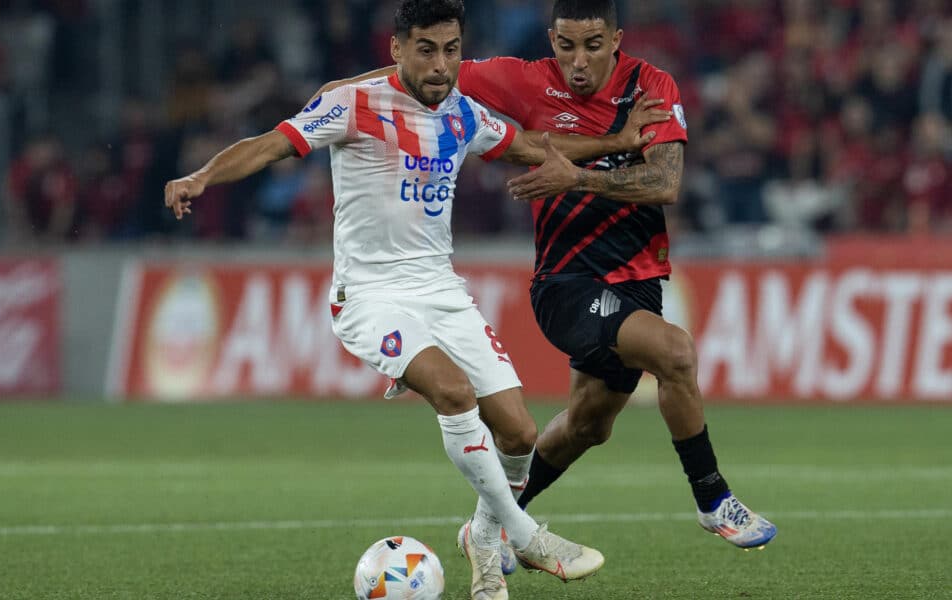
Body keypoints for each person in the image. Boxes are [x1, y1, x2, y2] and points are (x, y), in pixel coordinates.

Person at [164, 2, 668, 598]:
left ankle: (484, 544)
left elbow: (532, 145)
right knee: (454, 393)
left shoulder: (462, 114)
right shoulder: (353, 104)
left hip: (440, 289)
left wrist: (616, 140)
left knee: (519, 433)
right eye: (426, 49)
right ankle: (525, 535)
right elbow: (271, 144)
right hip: (370, 295)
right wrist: (200, 176)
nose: (441, 64)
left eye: (452, 50)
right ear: (398, 48)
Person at [315, 0, 778, 558]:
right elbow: (418, 73)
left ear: (616, 40)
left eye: (591, 45)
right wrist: (337, 95)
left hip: (638, 279)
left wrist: (576, 176)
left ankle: (492, 526)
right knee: (674, 352)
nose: (577, 61)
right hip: (567, 283)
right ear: (551, 40)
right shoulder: (526, 81)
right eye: (565, 46)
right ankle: (713, 499)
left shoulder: (651, 87)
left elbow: (663, 183)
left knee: (588, 424)